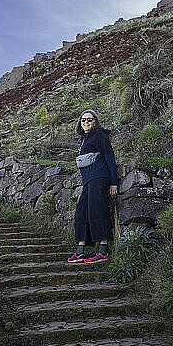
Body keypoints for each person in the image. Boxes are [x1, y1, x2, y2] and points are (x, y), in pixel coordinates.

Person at [68, 109, 118, 264]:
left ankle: (103, 251)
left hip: (100, 178)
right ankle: (80, 251)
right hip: (88, 181)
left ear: (95, 121)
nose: (86, 122)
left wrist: (113, 182)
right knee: (81, 214)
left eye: (89, 120)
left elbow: (110, 158)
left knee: (98, 211)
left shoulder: (100, 136)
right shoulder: (84, 139)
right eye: (83, 120)